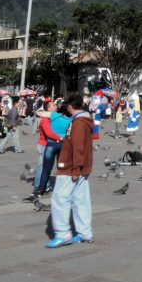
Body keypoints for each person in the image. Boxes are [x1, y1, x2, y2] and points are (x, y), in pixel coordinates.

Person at [47, 93, 94, 248]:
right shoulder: (85, 120)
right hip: (83, 166)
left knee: (60, 198)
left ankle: (63, 233)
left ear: (70, 106)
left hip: (70, 166)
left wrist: (75, 168)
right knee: (81, 199)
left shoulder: (78, 123)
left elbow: (78, 146)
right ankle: (84, 232)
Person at [28, 100, 65, 198]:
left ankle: (46, 185)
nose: (56, 107)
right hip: (44, 145)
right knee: (42, 167)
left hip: (48, 144)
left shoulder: (51, 118)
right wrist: (61, 138)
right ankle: (37, 186)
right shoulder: (45, 119)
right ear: (48, 109)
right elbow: (49, 133)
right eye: (53, 106)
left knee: (46, 167)